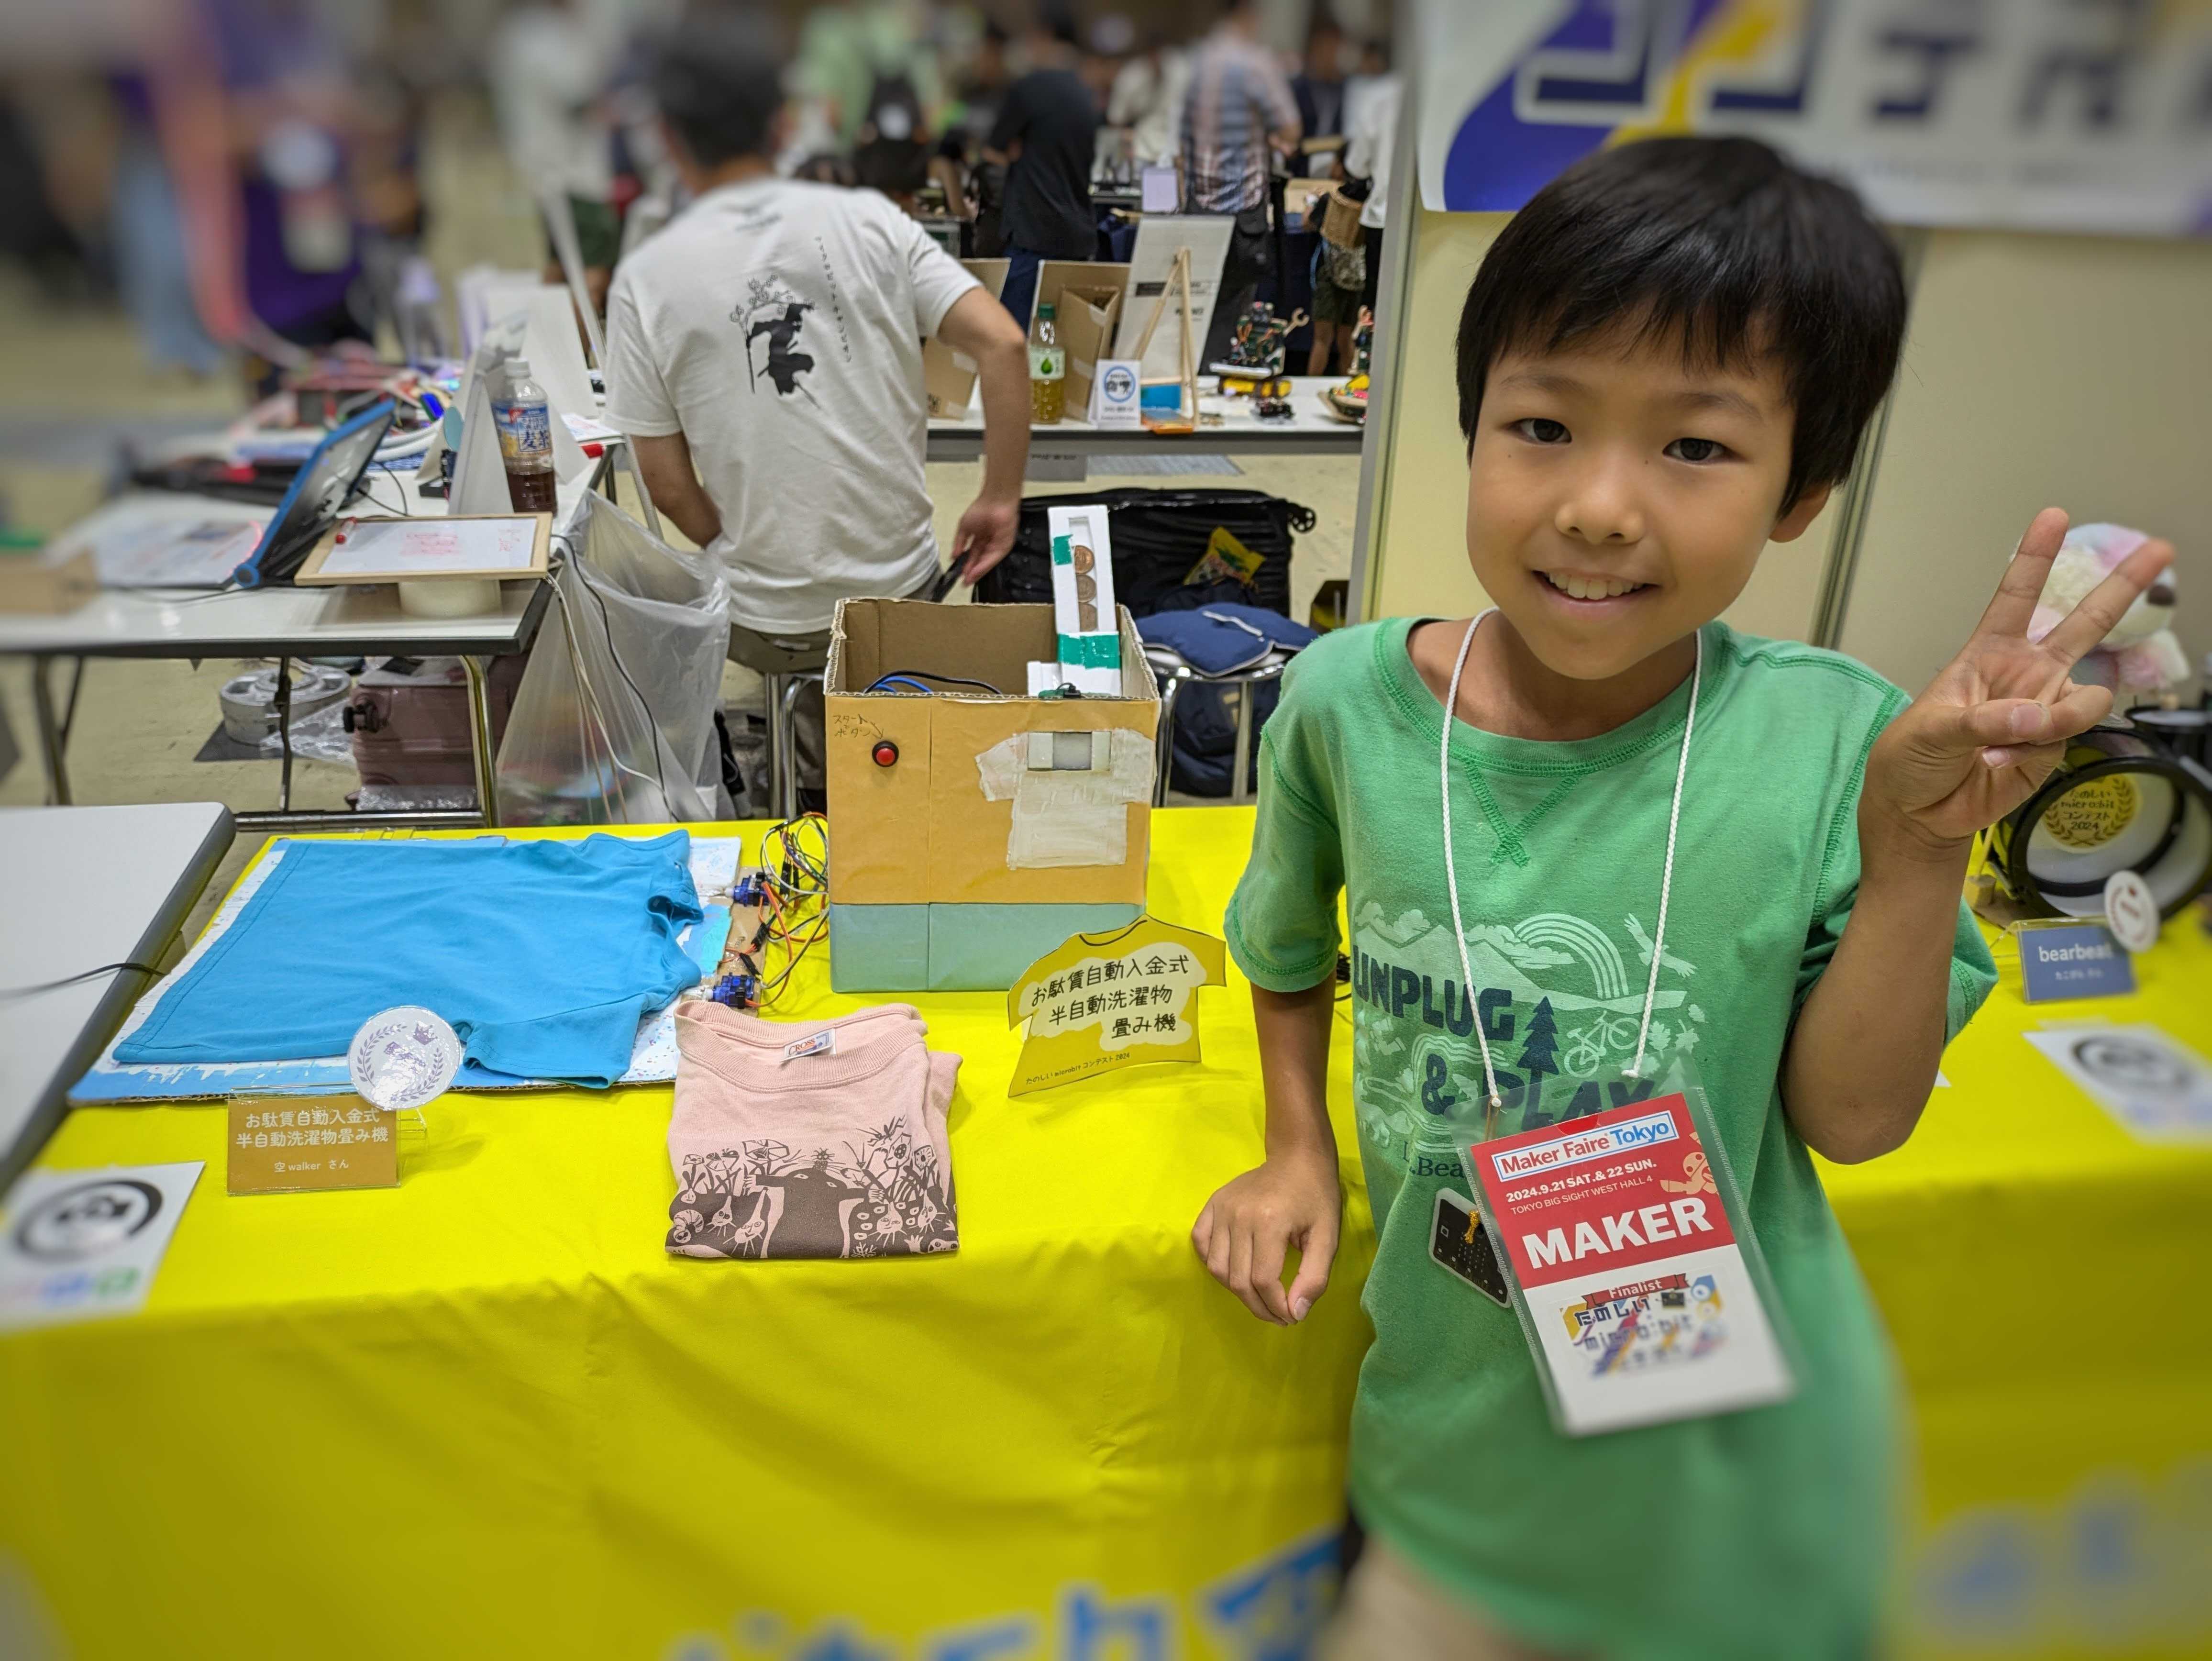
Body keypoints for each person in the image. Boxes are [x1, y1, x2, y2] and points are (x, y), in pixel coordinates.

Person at [1194, 135, 2171, 1657]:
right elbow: (1278, 945)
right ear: (1470, 428)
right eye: (1541, 423)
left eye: (1694, 447)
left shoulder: (1834, 737)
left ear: (1801, 493)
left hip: (1743, 1494)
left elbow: (1851, 1118)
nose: (1594, 504)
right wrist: (1294, 1146)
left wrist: (1914, 847)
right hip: (1446, 1470)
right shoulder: (1336, 701)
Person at [604, 17, 1030, 810]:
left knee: (763, 642)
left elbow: (663, 484)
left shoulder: (645, 276)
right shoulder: (871, 220)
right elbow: (1004, 347)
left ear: (666, 137)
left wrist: (743, 544)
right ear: (781, 121)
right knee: (875, 686)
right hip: (898, 601)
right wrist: (999, 498)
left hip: (763, 622)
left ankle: (793, 794)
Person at [1180, 0, 1300, 367]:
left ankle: (1192, 392)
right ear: (1249, 14)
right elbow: (1290, 129)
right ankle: (1220, 401)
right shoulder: (1255, 64)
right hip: (1241, 216)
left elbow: (1183, 142)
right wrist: (1267, 137)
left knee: (1194, 307)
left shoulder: (1198, 63)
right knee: (1233, 318)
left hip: (1199, 208)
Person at [984, 16, 1100, 331]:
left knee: (1016, 343)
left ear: (1044, 36)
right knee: (1066, 345)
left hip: (1032, 236)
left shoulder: (1029, 88)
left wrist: (1017, 149)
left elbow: (993, 149)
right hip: (1078, 238)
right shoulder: (1086, 90)